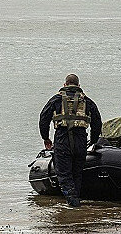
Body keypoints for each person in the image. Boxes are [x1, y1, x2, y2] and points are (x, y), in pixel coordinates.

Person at [39, 74, 102, 208]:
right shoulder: (87, 101)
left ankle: (73, 204)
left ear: (65, 85)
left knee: (64, 174)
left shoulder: (55, 100)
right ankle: (75, 202)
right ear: (78, 86)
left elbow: (43, 119)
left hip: (62, 139)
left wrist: (46, 138)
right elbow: (97, 123)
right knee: (77, 174)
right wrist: (94, 141)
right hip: (81, 139)